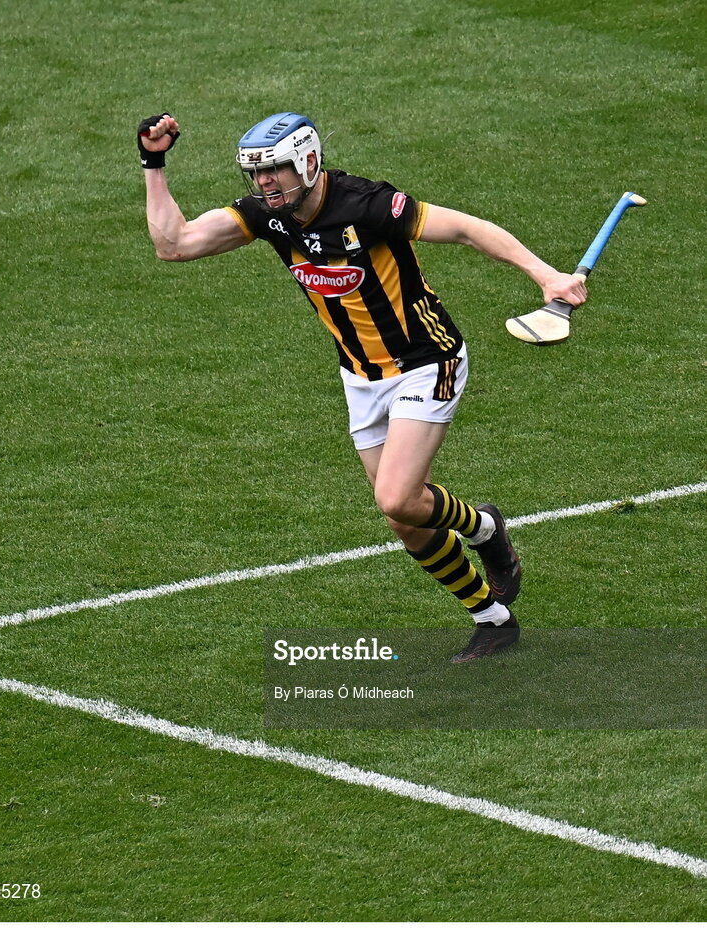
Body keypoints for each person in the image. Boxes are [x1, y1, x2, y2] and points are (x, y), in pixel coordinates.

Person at [137, 111, 587, 661]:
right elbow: (173, 245)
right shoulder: (268, 216)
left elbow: (469, 229)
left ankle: (487, 531)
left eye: (274, 171)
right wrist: (154, 163)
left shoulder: (368, 204)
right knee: (403, 516)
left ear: (306, 160)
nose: (263, 184)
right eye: (256, 174)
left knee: (395, 495)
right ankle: (493, 618)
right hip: (359, 375)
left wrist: (546, 276)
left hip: (426, 360)